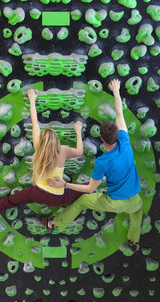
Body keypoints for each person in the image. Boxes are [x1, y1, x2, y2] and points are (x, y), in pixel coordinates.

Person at [0, 89, 85, 230]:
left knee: (7, 202)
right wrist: (78, 131)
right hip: (58, 198)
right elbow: (80, 151)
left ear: (43, 141)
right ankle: (64, 220)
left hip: (37, 194)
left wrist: (32, 99)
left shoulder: (39, 146)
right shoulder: (63, 150)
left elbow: (35, 123)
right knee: (86, 190)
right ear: (56, 141)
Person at [47, 79, 142, 251]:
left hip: (114, 202)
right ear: (117, 134)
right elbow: (120, 114)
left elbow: (90, 189)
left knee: (82, 201)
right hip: (135, 199)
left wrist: (65, 184)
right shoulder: (125, 141)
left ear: (101, 139)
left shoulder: (102, 161)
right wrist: (116, 90)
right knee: (137, 213)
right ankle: (133, 241)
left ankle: (55, 223)